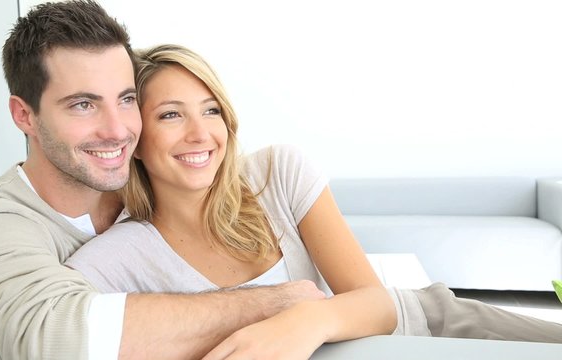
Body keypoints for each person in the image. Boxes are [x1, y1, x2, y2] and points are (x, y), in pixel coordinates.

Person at [65, 43, 562, 359]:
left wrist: (309, 318)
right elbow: (10, 341)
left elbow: (375, 303)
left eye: (211, 109)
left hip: (425, 322)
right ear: (135, 135)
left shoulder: (276, 172)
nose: (201, 134)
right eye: (171, 115)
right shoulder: (119, 255)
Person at [0, 2, 326, 359]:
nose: (118, 130)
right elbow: (45, 334)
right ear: (25, 116)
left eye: (126, 100)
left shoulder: (159, 181)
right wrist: (274, 304)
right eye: (83, 104)